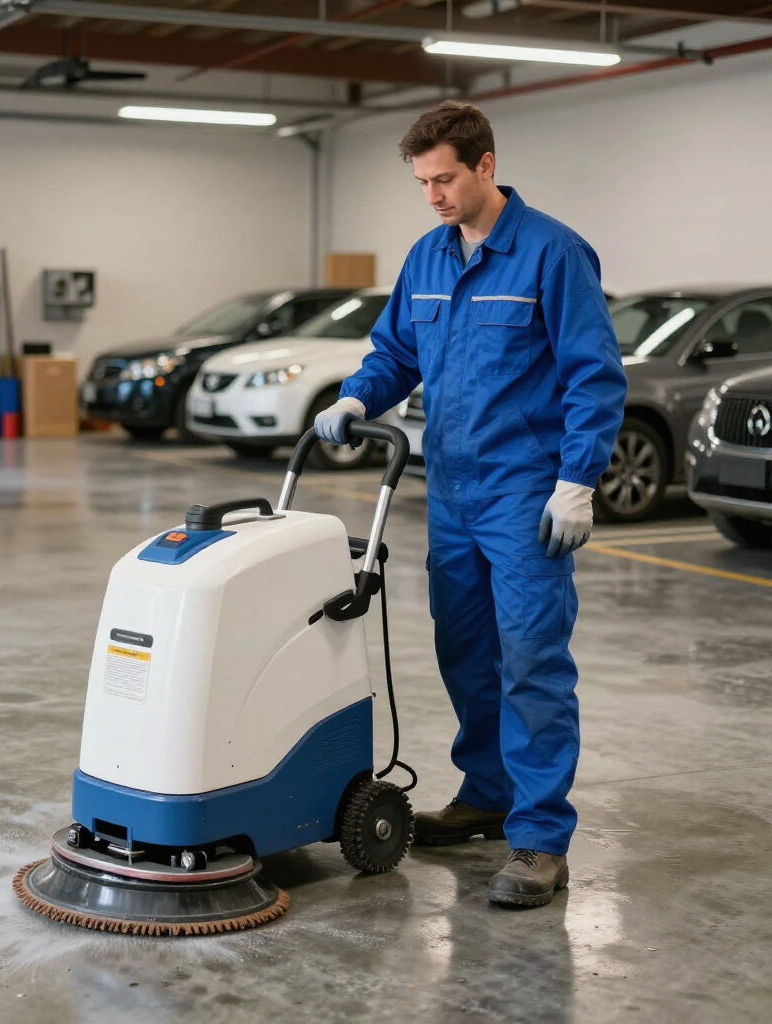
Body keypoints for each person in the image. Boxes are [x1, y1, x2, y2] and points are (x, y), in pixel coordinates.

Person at [315, 100, 626, 907]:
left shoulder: (553, 253)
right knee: (464, 652)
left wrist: (578, 480)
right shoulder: (427, 256)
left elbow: (595, 375)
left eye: (445, 178)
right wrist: (356, 400)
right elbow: (395, 352)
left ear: (486, 165)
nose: (434, 196)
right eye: (422, 182)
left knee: (532, 661)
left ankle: (539, 836)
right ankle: (487, 793)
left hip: (526, 493)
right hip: (448, 489)